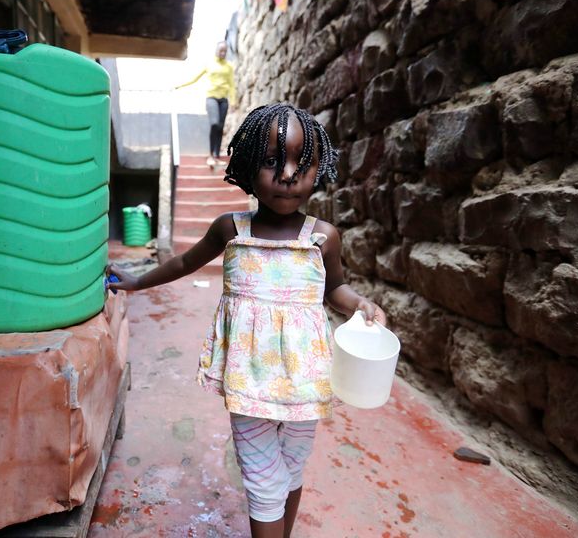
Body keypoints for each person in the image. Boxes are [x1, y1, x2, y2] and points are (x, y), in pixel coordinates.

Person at [107, 103, 387, 538]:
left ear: (319, 169)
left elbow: (334, 289)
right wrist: (137, 281)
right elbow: (183, 263)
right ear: (247, 165)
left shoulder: (322, 237)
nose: (288, 175)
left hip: (305, 382)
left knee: (290, 470)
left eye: (302, 164)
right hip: (249, 383)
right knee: (262, 482)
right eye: (272, 161)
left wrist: (359, 305)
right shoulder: (231, 229)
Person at [176, 41, 236, 166]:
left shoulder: (229, 67)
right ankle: (211, 154)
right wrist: (180, 85)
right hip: (211, 98)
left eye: (225, 51)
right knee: (214, 124)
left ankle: (216, 155)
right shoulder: (210, 64)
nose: (223, 53)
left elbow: (231, 85)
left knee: (220, 127)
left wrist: (233, 100)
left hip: (223, 100)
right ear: (216, 50)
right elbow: (195, 78)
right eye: (221, 50)